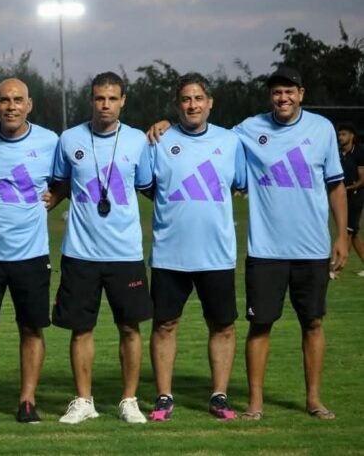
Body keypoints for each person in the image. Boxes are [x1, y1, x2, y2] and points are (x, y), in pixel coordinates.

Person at [147, 65, 347, 420]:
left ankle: (313, 399)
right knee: (258, 325)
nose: (283, 97)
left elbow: (335, 184)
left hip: (309, 248)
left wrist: (343, 234)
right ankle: (252, 403)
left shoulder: (317, 130)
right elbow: (156, 180)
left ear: (301, 94)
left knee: (313, 322)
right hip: (262, 250)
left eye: (289, 91)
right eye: (277, 92)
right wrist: (163, 125)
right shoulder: (245, 131)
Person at [44, 72, 153, 425]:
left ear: (123, 101)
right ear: (90, 99)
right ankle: (83, 400)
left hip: (125, 253)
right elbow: (60, 185)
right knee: (81, 329)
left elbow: (146, 185)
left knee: (130, 328)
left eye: (112, 98)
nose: (105, 105)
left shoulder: (137, 140)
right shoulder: (69, 139)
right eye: (99, 98)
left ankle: (129, 401)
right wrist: (44, 203)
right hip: (80, 252)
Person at [145, 73, 246, 422]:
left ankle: (219, 395)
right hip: (169, 254)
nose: (192, 105)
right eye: (186, 99)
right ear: (177, 104)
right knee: (164, 325)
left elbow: (240, 183)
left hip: (216, 254)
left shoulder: (231, 141)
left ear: (210, 102)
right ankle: (164, 397)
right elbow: (146, 186)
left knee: (223, 326)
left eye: (198, 98)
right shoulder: (158, 140)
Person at [0, 78, 58, 424]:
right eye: (5, 100)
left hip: (31, 254)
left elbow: (66, 179)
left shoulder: (50, 141)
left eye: (18, 100)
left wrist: (56, 196)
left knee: (31, 329)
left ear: (29, 105)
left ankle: (27, 401)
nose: (11, 106)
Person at [336, 121, 364, 277]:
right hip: (342, 197)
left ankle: (336, 270)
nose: (340, 137)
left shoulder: (360, 152)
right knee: (354, 236)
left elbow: (362, 180)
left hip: (356, 196)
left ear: (352, 136)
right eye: (339, 134)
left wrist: (347, 188)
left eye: (344, 134)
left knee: (347, 233)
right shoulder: (338, 152)